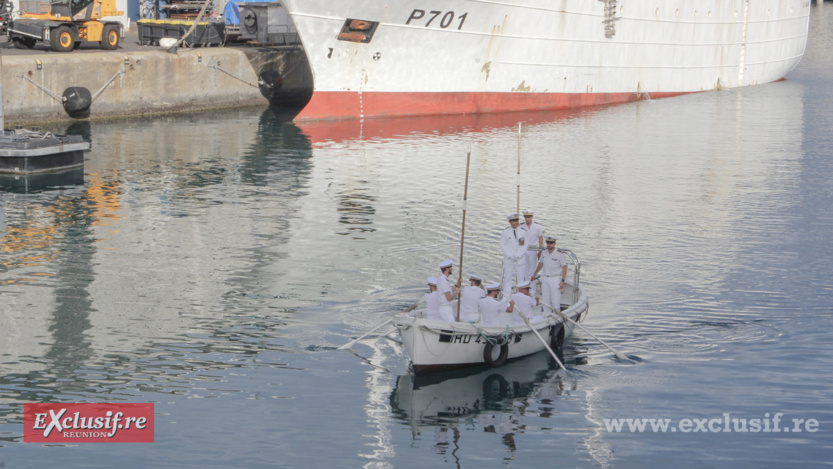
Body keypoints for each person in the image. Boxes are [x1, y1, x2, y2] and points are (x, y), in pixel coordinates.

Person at [531, 235, 568, 315]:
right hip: (545, 277)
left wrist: (562, 280)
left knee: (555, 299)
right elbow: (541, 264)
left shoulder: (559, 254)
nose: (549, 245)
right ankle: (547, 315)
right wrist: (535, 274)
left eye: (550, 243)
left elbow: (564, 267)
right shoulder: (544, 252)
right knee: (545, 299)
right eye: (547, 243)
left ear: (554, 243)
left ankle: (556, 315)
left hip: (555, 278)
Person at [500, 212, 528, 299]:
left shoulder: (523, 232)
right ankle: (506, 298)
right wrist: (510, 255)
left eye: (517, 220)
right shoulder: (505, 232)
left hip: (520, 259)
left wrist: (518, 255)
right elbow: (503, 246)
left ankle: (520, 297)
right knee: (507, 279)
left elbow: (523, 245)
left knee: (521, 279)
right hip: (509, 260)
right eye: (514, 221)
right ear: (510, 222)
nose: (516, 222)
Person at [520, 209, 544, 296]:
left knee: (533, 270)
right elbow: (520, 240)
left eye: (529, 217)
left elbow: (540, 238)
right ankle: (525, 289)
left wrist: (540, 250)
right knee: (524, 270)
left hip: (533, 250)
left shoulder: (537, 227)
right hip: (524, 250)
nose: (527, 219)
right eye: (526, 217)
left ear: (532, 217)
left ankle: (532, 290)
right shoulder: (521, 227)